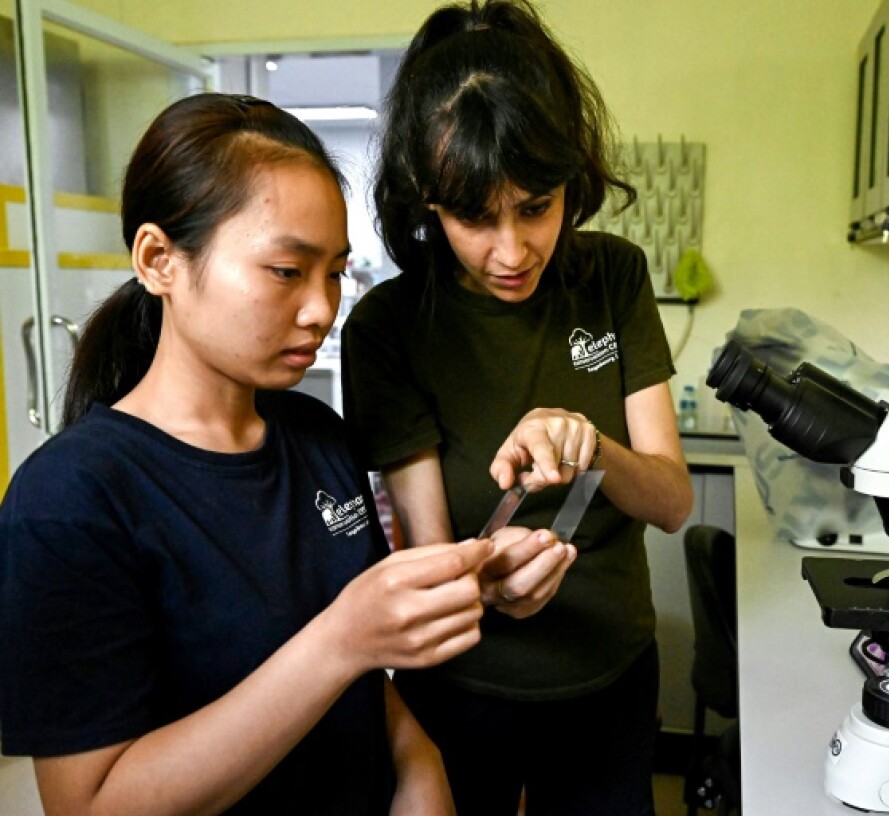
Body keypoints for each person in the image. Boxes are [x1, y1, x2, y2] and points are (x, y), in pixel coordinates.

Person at [0, 92, 561, 816]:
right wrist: (340, 640)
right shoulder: (68, 503)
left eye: (334, 271)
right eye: (286, 271)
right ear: (159, 259)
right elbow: (92, 806)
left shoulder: (316, 436)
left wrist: (421, 764)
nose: (323, 308)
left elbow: (364, 683)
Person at [341, 2, 694, 814]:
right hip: (464, 688)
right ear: (428, 201)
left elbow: (673, 503)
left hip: (611, 677)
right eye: (473, 218)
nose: (512, 251)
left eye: (536, 207)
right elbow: (431, 558)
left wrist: (592, 445)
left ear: (572, 182)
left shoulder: (612, 277)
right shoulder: (389, 328)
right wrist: (486, 580)